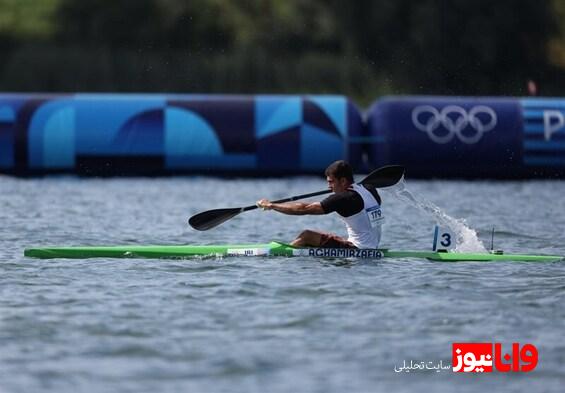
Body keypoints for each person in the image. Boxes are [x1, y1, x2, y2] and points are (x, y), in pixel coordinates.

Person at [256, 160, 383, 249]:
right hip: (372, 247)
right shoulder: (369, 189)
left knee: (307, 236)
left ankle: (283, 257)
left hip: (358, 250)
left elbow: (303, 209)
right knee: (323, 237)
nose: (329, 187)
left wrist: (272, 205)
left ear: (343, 181)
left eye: (331, 182)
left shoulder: (344, 198)